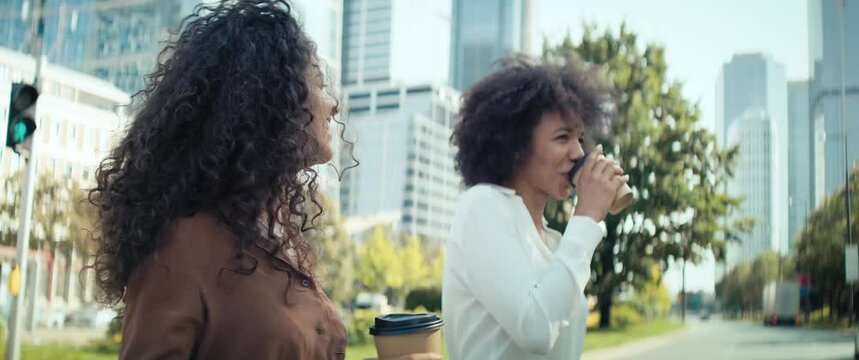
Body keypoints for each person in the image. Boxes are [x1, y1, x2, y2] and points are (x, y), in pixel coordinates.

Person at [87, 1, 438, 359]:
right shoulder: (180, 247)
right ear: (270, 102)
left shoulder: (278, 236)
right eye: (317, 84)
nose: (332, 105)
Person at [442, 56, 627, 360]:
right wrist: (587, 217)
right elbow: (537, 329)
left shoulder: (554, 242)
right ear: (515, 147)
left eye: (580, 138)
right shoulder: (482, 205)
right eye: (562, 137)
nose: (579, 152)